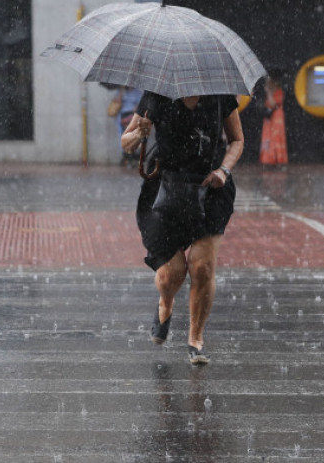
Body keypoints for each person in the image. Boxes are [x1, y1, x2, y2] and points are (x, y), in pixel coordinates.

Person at [121, 93, 242, 365]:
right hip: (166, 189)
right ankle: (166, 303)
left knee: (202, 267)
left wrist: (224, 169)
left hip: (211, 188)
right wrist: (140, 134)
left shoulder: (220, 95)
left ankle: (195, 339)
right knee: (170, 275)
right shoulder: (157, 96)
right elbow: (125, 143)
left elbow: (237, 140)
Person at [259, 74, 288, 166]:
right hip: (269, 119)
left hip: (276, 117)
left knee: (276, 137)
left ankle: (277, 158)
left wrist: (268, 93)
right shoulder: (269, 93)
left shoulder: (279, 92)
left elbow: (273, 104)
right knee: (268, 137)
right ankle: (268, 158)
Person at [112, 87, 144, 166]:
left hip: (132, 116)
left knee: (133, 135)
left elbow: (141, 105)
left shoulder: (137, 92)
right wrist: (121, 92)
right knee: (123, 135)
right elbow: (116, 102)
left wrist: (135, 110)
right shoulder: (121, 91)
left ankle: (133, 156)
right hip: (122, 116)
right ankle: (126, 155)